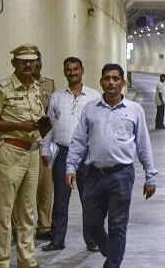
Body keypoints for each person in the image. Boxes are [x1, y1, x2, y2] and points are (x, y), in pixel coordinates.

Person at [65, 63, 158, 268]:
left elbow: (143, 144)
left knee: (117, 224)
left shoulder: (134, 110)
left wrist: (150, 176)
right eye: (107, 78)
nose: (111, 82)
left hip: (121, 175)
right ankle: (110, 249)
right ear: (101, 82)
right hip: (94, 175)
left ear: (122, 83)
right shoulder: (91, 109)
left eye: (116, 79)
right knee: (91, 224)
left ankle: (113, 263)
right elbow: (79, 141)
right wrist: (71, 166)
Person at [0, 44, 51, 268]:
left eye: (32, 61)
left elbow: (38, 121)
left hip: (32, 153)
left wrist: (46, 125)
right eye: (24, 61)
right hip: (11, 151)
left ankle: (27, 259)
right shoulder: (3, 88)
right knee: (4, 212)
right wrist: (18, 125)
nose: (29, 65)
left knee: (27, 210)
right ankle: (0, 261)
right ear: (14, 63)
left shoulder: (36, 88)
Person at [40, 57, 101, 252]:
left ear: (82, 70)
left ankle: (92, 240)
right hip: (63, 154)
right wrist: (44, 149)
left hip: (86, 155)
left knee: (89, 200)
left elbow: (100, 127)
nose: (72, 72)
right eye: (68, 69)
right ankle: (57, 240)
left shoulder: (94, 96)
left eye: (76, 69)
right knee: (60, 199)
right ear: (64, 72)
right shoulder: (57, 96)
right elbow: (48, 126)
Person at [31, 50, 55, 240]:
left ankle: (44, 226)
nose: (35, 66)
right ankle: (17, 226)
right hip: (25, 143)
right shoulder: (11, 86)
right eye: (31, 62)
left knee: (46, 187)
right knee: (23, 188)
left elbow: (52, 112)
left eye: (38, 62)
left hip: (45, 142)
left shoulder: (48, 83)